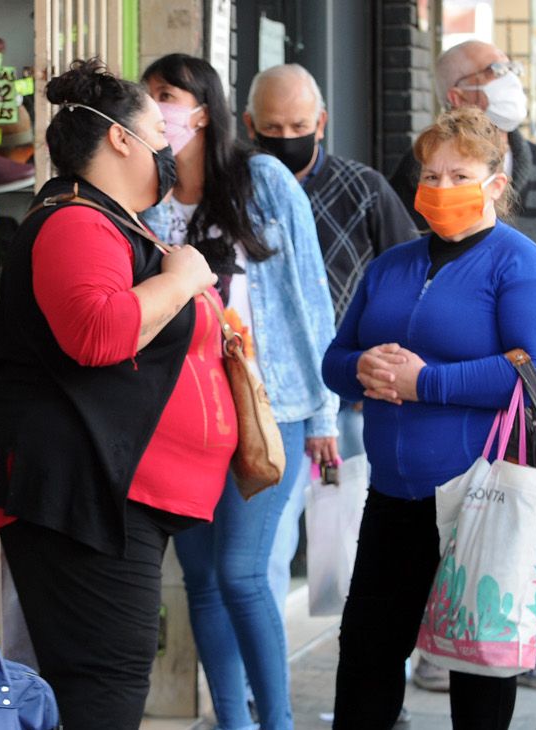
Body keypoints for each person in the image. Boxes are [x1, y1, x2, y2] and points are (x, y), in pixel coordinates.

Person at [0, 59, 235, 730]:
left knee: (106, 682)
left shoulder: (110, 222)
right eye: (160, 128)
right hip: (86, 498)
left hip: (111, 498)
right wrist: (181, 280)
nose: (172, 146)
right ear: (121, 139)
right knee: (104, 686)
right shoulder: (76, 223)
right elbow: (96, 333)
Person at [323, 106, 536, 729]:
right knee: (366, 661)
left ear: (495, 182)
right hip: (394, 497)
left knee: (479, 674)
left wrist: (423, 381)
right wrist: (363, 368)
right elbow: (333, 359)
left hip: (480, 499)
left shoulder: (523, 265)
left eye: (456, 173)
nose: (437, 188)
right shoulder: (392, 265)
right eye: (428, 174)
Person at [139, 53, 338, 730]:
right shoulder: (145, 195)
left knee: (243, 573)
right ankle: (233, 720)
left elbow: (311, 295)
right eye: (149, 96)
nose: (155, 106)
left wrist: (324, 411)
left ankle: (275, 721)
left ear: (203, 109)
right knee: (201, 580)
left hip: (266, 405)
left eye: (167, 95)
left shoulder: (261, 179)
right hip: (179, 415)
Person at [390, 37, 536, 692]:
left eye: (506, 67)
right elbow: (398, 277)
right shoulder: (413, 172)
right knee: (436, 529)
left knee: (511, 518)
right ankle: (437, 645)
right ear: (456, 94)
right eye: (489, 72)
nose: (508, 79)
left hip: (522, 387)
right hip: (439, 409)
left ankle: (512, 638)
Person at [242, 61, 417, 619]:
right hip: (272, 400)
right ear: (250, 125)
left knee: (355, 541)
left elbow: (409, 277)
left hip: (355, 394)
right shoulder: (239, 192)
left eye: (299, 127)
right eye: (273, 129)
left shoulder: (364, 188)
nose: (287, 140)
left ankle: (376, 661)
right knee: (265, 549)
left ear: (321, 121)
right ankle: (257, 673)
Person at [389, 40, 536, 304]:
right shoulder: (420, 169)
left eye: (512, 69)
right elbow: (399, 254)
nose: (511, 80)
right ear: (457, 97)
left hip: (532, 325)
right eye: (497, 71)